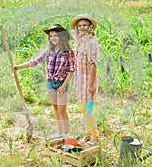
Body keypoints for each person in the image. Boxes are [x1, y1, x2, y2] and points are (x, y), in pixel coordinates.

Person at [13, 24, 75, 139]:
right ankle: (60, 132)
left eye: (56, 35)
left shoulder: (68, 52)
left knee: (62, 109)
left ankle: (66, 134)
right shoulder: (48, 51)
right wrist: (18, 67)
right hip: (51, 83)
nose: (53, 38)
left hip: (62, 83)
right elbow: (35, 61)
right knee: (56, 108)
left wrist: (64, 85)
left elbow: (71, 70)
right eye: (51, 36)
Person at [71, 13, 100, 146]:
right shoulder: (79, 41)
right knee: (83, 109)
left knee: (87, 109)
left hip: (89, 80)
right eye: (80, 25)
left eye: (84, 25)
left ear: (89, 28)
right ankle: (88, 133)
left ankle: (95, 136)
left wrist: (91, 85)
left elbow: (93, 64)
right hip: (81, 80)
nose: (82, 28)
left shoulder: (91, 42)